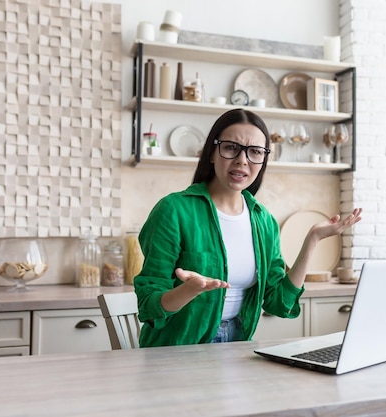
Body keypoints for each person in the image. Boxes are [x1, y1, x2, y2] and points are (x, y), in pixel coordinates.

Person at [134, 108, 362, 347]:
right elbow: (149, 306)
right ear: (212, 153)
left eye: (254, 152)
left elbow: (279, 303)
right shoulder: (173, 210)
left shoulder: (264, 221)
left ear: (263, 160)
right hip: (177, 349)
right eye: (231, 147)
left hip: (238, 344)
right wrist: (189, 290)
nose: (242, 160)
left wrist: (312, 240)